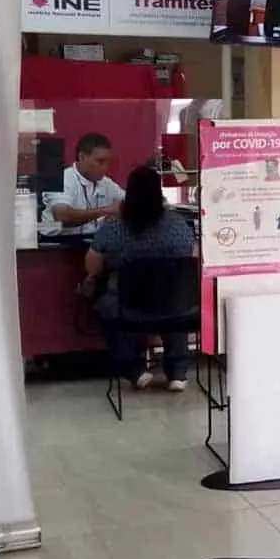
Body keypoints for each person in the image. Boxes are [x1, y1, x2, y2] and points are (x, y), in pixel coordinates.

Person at [85, 166, 197, 392]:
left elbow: (92, 267)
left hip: (129, 310)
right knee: (175, 299)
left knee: (103, 303)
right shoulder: (178, 225)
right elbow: (192, 257)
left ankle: (134, 370)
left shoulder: (113, 227)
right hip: (175, 308)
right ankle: (177, 372)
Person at [42, 133, 125, 236]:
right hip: (56, 242)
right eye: (100, 161)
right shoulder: (60, 178)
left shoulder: (106, 183)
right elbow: (63, 216)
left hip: (91, 240)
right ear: (81, 157)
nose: (105, 167)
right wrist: (106, 210)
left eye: (108, 162)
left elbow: (129, 201)